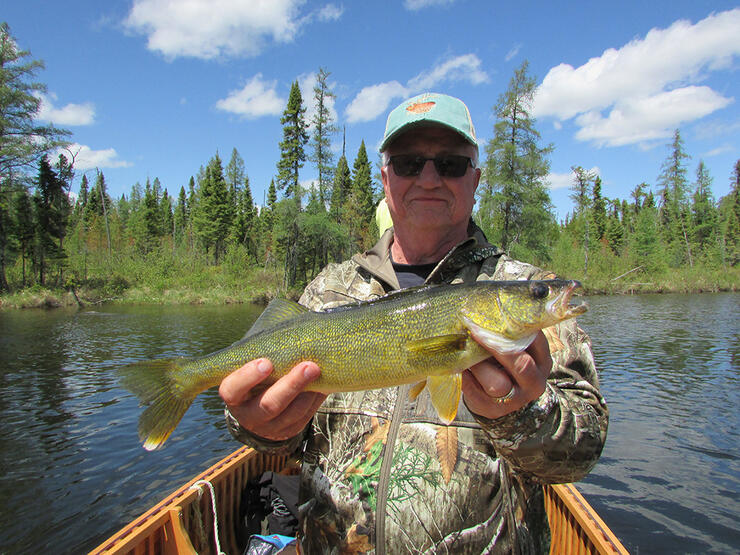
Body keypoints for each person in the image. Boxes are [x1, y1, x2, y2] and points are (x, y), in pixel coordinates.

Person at [220, 92, 608, 554]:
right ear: (386, 178)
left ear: (475, 179)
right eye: (407, 163)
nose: (428, 177)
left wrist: (524, 415)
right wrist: (255, 425)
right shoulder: (328, 290)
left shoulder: (523, 287)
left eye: (450, 164)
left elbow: (582, 453)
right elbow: (273, 439)